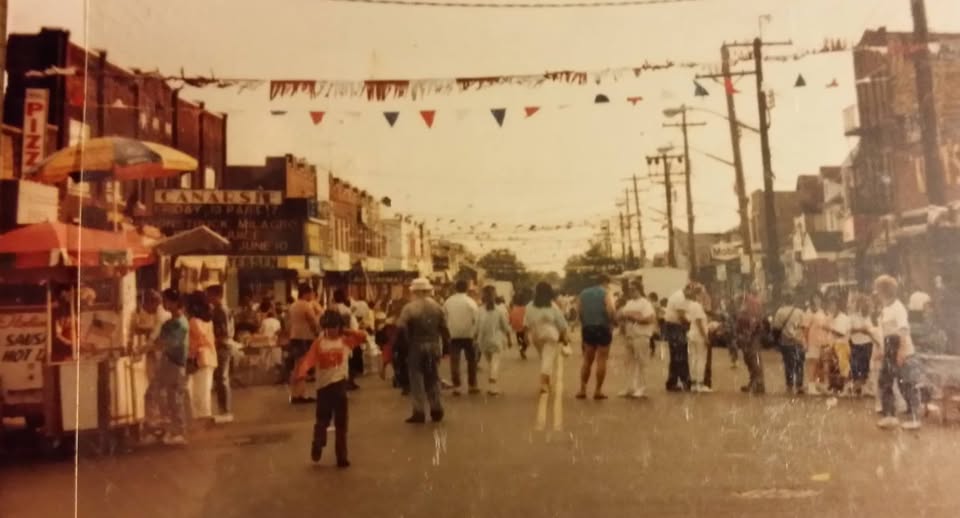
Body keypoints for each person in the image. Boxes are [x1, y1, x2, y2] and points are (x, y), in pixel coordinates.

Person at [295, 310, 367, 467]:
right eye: (327, 327)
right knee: (322, 420)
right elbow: (308, 360)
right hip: (323, 387)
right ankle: (318, 443)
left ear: (339, 327)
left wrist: (347, 330)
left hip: (340, 384)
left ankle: (342, 457)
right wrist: (301, 374)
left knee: (341, 424)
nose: (331, 330)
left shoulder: (345, 341)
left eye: (334, 327)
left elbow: (363, 337)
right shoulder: (319, 343)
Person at [398, 278, 449, 423]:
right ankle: (436, 409)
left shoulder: (409, 308)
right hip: (433, 345)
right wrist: (446, 347)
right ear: (428, 291)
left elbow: (401, 328)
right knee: (433, 377)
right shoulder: (438, 307)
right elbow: (444, 329)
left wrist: (404, 347)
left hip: (415, 345)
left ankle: (419, 411)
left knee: (416, 379)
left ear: (415, 291)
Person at [875, 275, 922, 430]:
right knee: (884, 381)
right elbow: (885, 333)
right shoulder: (884, 309)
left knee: (907, 384)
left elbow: (903, 330)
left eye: (878, 289)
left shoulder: (898, 307)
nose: (876, 292)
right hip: (889, 349)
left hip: (902, 348)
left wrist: (901, 351)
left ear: (885, 291)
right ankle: (889, 415)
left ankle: (915, 417)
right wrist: (882, 350)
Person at [143, 289, 190, 445]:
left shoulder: (180, 324)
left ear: (176, 302)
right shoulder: (169, 322)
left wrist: (146, 348)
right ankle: (159, 429)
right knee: (154, 394)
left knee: (173, 398)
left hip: (175, 364)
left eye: (167, 301)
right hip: (166, 362)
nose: (164, 304)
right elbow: (159, 341)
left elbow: (166, 343)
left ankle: (178, 432)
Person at [524, 282, 570, 432]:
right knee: (547, 360)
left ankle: (546, 382)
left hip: (536, 335)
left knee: (544, 359)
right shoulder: (552, 306)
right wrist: (565, 335)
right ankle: (544, 384)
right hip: (550, 334)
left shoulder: (530, 305)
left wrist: (526, 336)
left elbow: (526, 323)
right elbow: (561, 322)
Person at [576, 274, 616, 400]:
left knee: (587, 359)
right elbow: (610, 309)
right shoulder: (606, 293)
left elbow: (579, 311)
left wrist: (585, 323)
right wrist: (612, 321)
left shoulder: (583, 293)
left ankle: (582, 389)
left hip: (588, 327)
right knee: (602, 359)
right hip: (602, 327)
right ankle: (598, 390)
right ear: (605, 282)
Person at [617, 281, 656, 398]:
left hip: (641, 335)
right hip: (630, 336)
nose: (631, 291)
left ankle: (642, 387)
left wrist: (632, 317)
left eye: (633, 289)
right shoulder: (629, 303)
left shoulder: (645, 304)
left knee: (642, 363)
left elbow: (650, 319)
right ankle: (630, 387)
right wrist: (623, 317)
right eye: (630, 289)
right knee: (629, 363)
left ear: (639, 290)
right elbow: (620, 315)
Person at [443, 279, 480, 396]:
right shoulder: (471, 302)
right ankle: (472, 385)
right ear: (467, 289)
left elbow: (444, 318)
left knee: (455, 361)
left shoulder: (448, 302)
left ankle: (457, 386)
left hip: (453, 335)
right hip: (469, 335)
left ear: (455, 288)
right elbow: (476, 319)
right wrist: (476, 334)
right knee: (472, 361)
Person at [186, 291, 217, 421]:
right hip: (209, 357)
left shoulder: (193, 321)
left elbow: (196, 341)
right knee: (204, 391)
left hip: (198, 358)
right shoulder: (209, 320)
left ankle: (201, 419)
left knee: (196, 392)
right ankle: (204, 416)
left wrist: (189, 355)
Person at [287, 284, 321, 404]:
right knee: (303, 366)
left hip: (294, 337)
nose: (312, 296)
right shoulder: (306, 305)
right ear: (306, 293)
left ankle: (293, 393)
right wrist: (317, 332)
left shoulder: (293, 306)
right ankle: (301, 395)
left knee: (297, 366)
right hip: (304, 338)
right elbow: (313, 322)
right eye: (311, 293)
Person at [205, 285, 234, 423]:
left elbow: (225, 332)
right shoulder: (218, 309)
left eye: (209, 295)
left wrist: (214, 340)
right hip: (222, 346)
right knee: (220, 378)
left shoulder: (220, 310)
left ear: (216, 295)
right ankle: (223, 409)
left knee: (222, 378)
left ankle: (225, 410)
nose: (208, 298)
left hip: (222, 347)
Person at [476, 285, 512, 396]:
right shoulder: (499, 310)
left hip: (483, 342)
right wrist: (509, 339)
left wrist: (475, 339)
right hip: (496, 340)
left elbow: (476, 327)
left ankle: (493, 386)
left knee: (490, 363)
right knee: (495, 363)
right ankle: (492, 385)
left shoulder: (479, 310)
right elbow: (505, 327)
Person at [772, 294, 805, 395]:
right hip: (798, 341)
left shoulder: (780, 311)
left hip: (786, 342)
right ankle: (799, 385)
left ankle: (789, 385)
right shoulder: (800, 312)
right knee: (799, 364)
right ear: (793, 301)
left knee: (788, 364)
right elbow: (803, 326)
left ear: (784, 300)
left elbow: (776, 327)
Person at [663, 284, 694, 392]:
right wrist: (691, 324)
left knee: (676, 355)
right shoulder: (680, 298)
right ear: (688, 289)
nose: (692, 295)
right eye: (692, 292)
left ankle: (673, 381)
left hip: (673, 326)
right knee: (681, 354)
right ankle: (684, 381)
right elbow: (682, 316)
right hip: (675, 327)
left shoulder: (679, 296)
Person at [736, 286, 765, 394]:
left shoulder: (752, 303)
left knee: (753, 358)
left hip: (751, 335)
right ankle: (754, 382)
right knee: (750, 359)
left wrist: (748, 334)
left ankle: (758, 384)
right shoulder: (746, 302)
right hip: (747, 335)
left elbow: (754, 320)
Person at [332, 289, 362, 390]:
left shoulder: (332, 308)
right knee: (348, 360)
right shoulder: (345, 309)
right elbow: (346, 325)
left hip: (335, 338)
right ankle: (348, 382)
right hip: (346, 337)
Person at [802, 293, 831, 396]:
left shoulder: (822, 311)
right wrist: (805, 342)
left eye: (818, 298)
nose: (817, 300)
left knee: (819, 365)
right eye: (815, 298)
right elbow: (805, 329)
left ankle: (816, 385)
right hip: (812, 342)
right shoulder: (809, 312)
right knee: (812, 363)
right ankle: (811, 386)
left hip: (822, 342)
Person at [849, 295, 878, 397]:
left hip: (867, 344)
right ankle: (856, 388)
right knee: (855, 367)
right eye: (864, 304)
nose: (867, 307)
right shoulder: (852, 317)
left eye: (868, 305)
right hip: (855, 344)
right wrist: (861, 329)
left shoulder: (870, 318)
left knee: (865, 368)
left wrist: (869, 333)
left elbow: (873, 331)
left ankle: (861, 388)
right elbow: (849, 330)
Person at [685, 286, 711, 393]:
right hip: (699, 336)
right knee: (701, 359)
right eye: (702, 293)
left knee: (693, 359)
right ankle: (700, 383)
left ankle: (694, 383)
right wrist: (705, 337)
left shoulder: (691, 305)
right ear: (698, 294)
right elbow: (700, 323)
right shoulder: (698, 306)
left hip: (692, 334)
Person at [509, 291, 529, 360]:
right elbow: (528, 318)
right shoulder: (526, 309)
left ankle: (521, 349)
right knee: (526, 342)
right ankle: (523, 350)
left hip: (517, 328)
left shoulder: (514, 309)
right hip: (524, 328)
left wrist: (511, 324)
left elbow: (510, 318)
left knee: (520, 340)